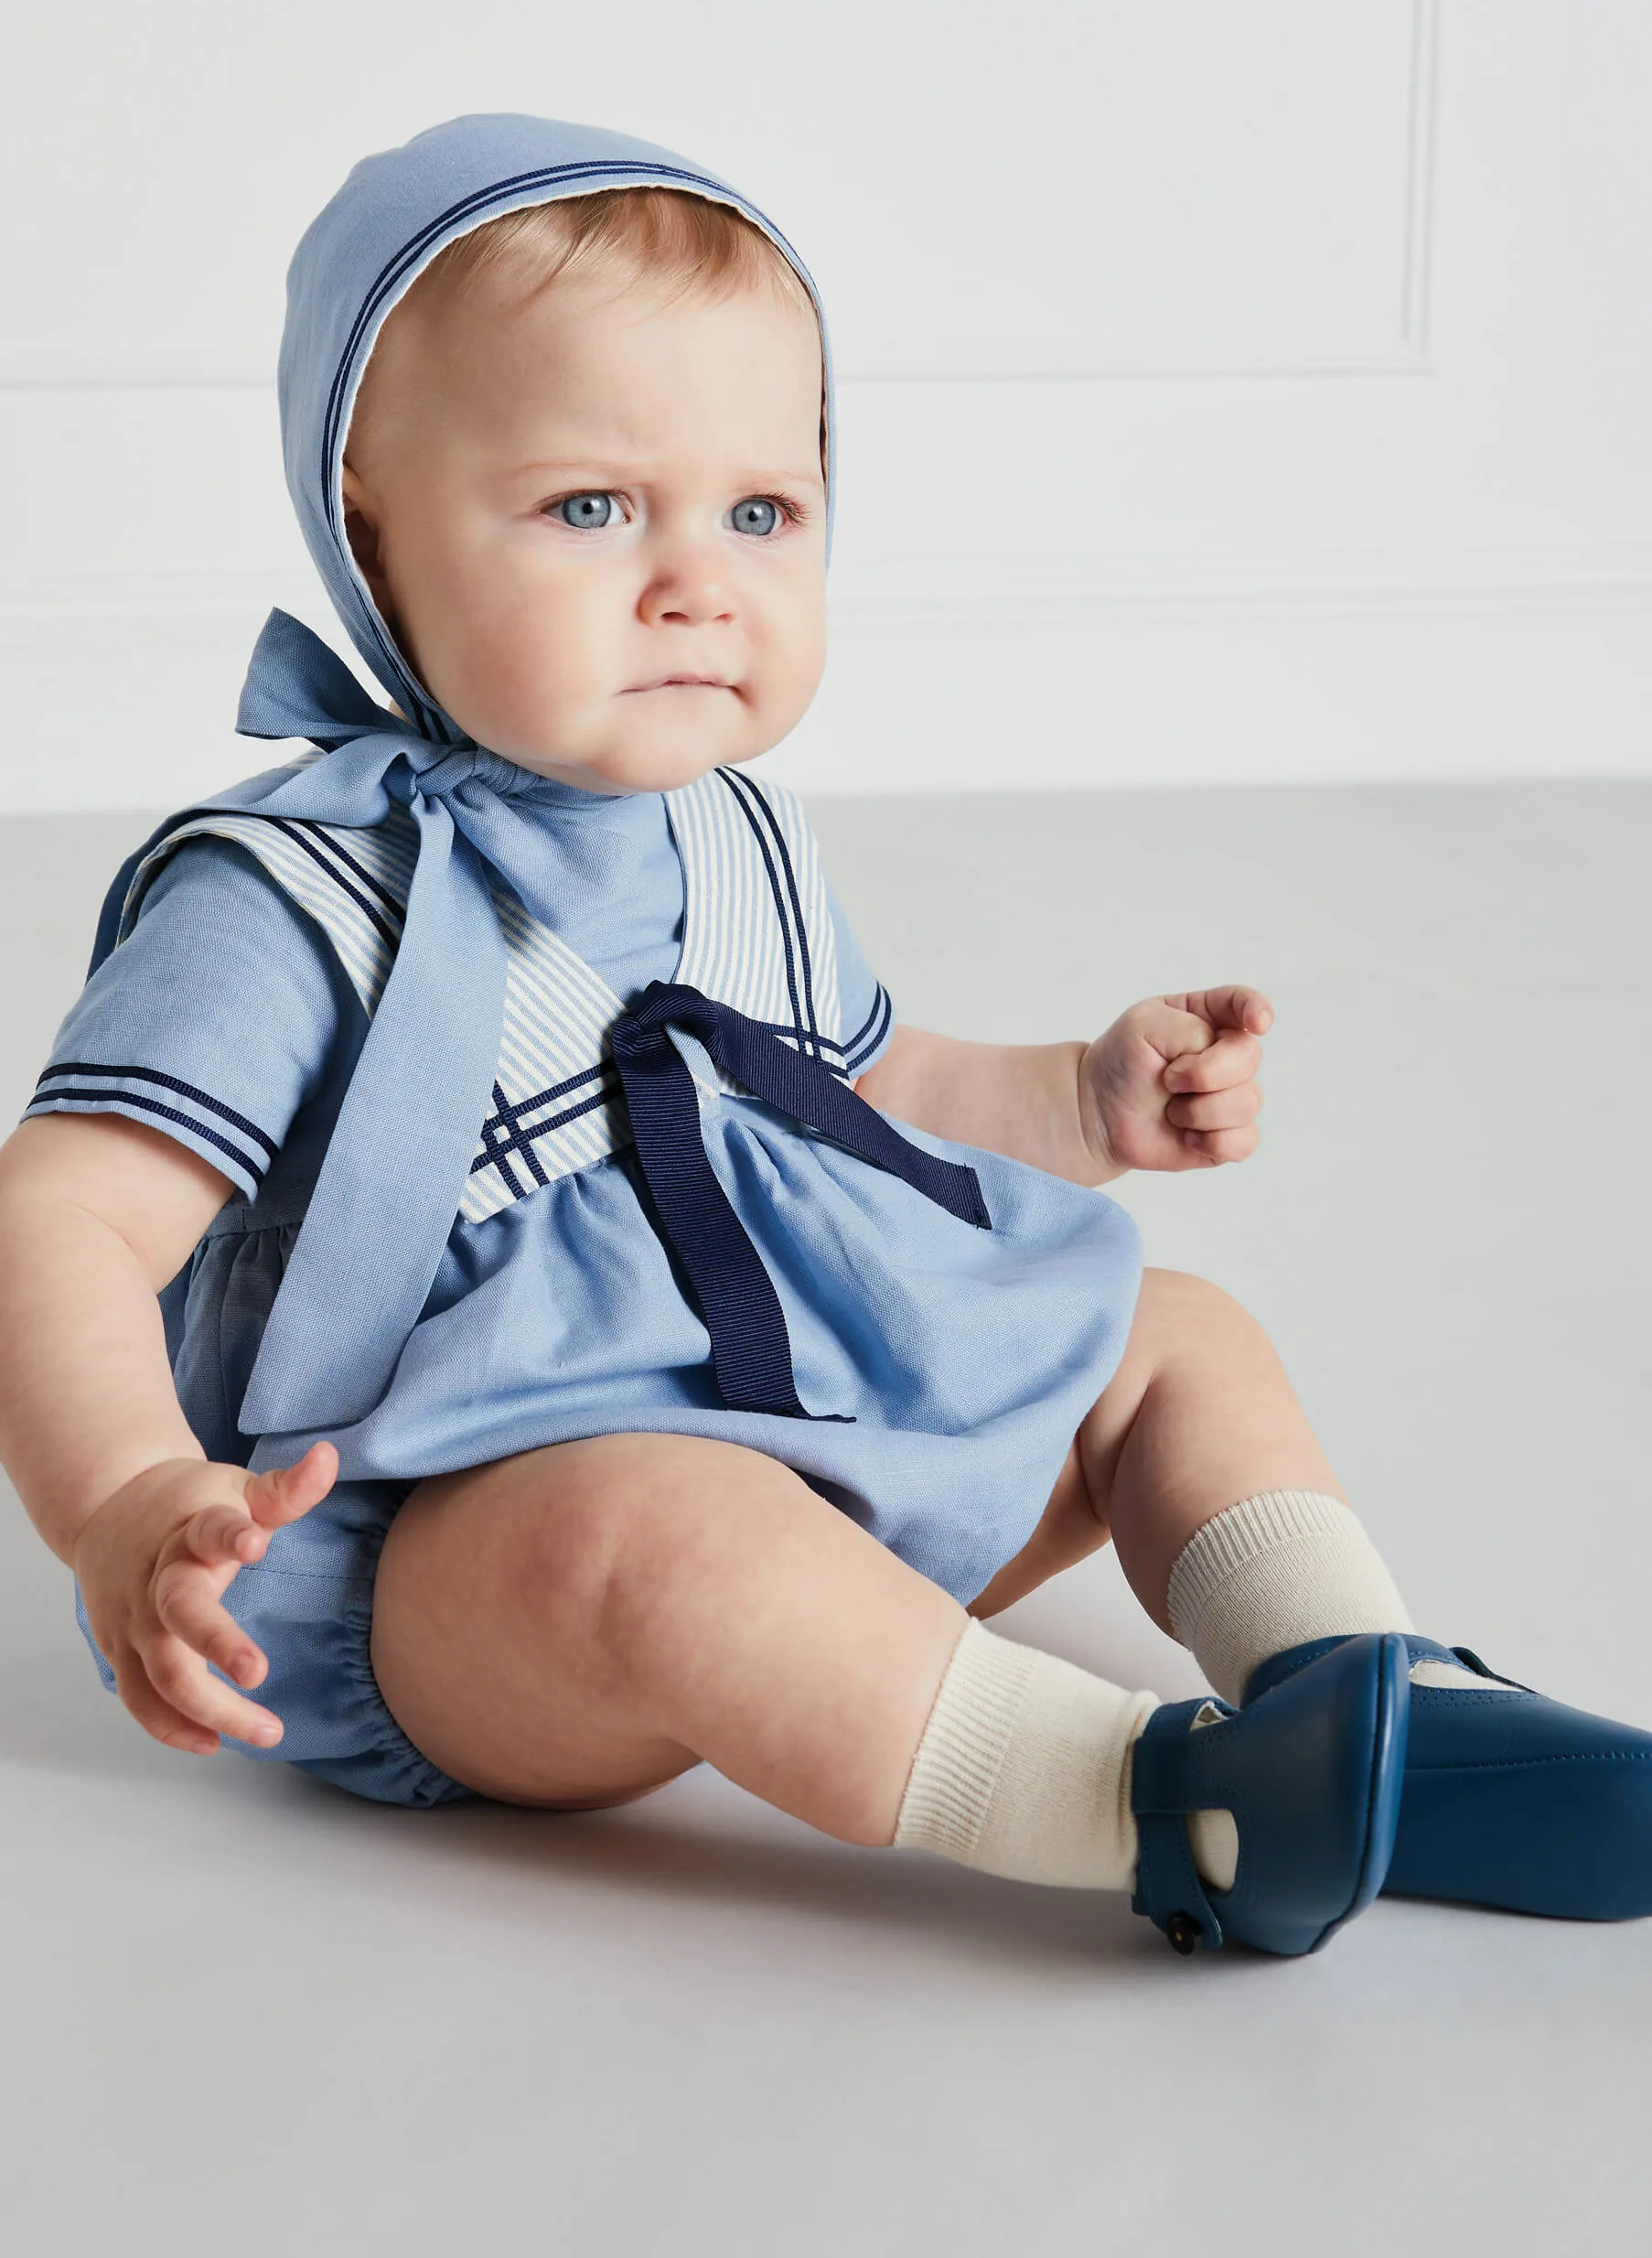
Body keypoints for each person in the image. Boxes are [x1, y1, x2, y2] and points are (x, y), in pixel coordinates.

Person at [0, 114, 1646, 1960]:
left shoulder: (722, 825)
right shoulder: (291, 898)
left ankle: (1358, 1684)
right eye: (591, 507)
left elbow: (844, 1096)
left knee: (1175, 1333)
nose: (699, 579)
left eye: (762, 512)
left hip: (824, 1435)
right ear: (369, 527)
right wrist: (129, 1500)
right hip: (469, 1562)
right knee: (673, 1540)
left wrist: (1077, 1099)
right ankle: (1157, 1799)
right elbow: (61, 1221)